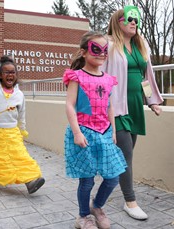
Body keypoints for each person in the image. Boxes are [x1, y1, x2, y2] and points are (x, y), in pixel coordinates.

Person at [101, 5, 163, 220]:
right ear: (118, 22)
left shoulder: (141, 44)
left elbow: (146, 77)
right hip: (116, 106)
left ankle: (107, 182)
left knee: (124, 154)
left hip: (135, 105)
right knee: (125, 154)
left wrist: (151, 101)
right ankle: (130, 201)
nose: (134, 23)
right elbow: (99, 73)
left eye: (136, 20)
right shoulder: (108, 45)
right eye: (129, 19)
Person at [63, 31, 127, 229]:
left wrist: (114, 131)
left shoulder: (108, 79)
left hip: (105, 132)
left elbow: (109, 106)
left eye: (105, 50)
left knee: (113, 177)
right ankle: (83, 216)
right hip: (85, 132)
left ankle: (96, 206)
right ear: (84, 52)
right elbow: (70, 105)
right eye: (96, 49)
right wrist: (77, 132)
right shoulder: (77, 77)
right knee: (87, 180)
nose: (101, 53)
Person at [0, 56, 45, 194]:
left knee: (19, 155)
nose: (10, 75)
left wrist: (22, 129)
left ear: (16, 75)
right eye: (7, 72)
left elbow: (22, 114)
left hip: (11, 131)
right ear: (0, 75)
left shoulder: (19, 94)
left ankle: (30, 181)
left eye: (13, 72)